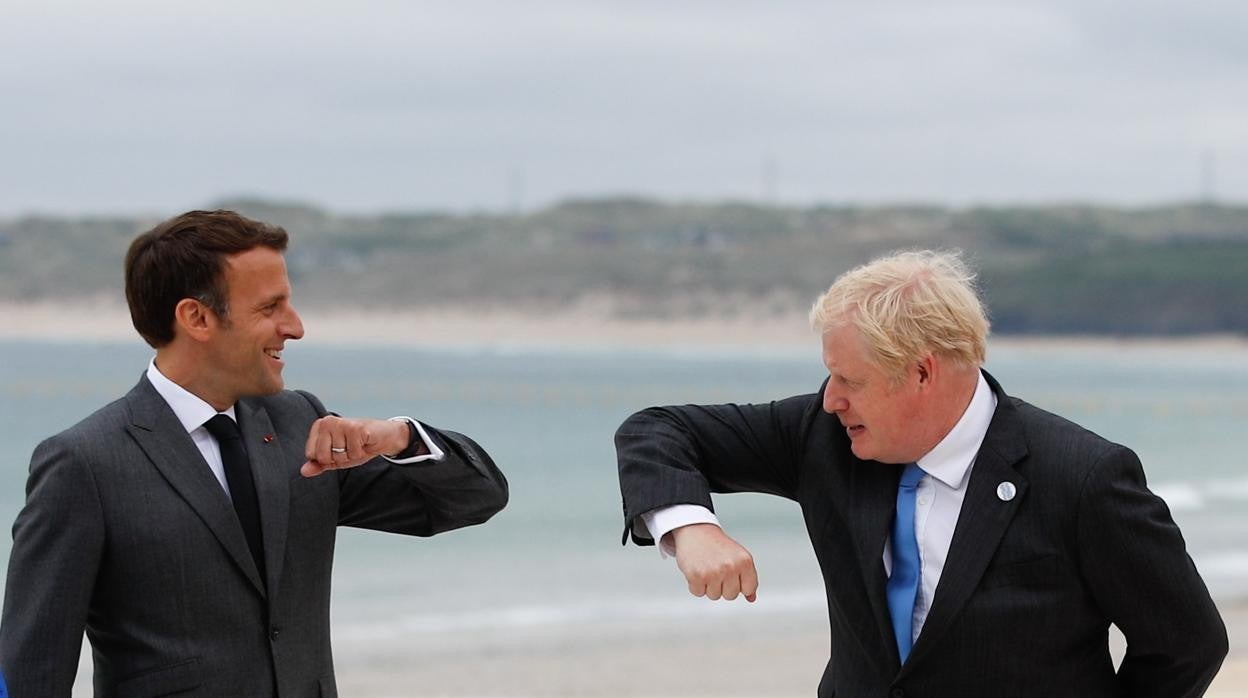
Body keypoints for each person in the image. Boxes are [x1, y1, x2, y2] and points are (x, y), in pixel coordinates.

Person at [614, 250, 1227, 697]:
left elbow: (1186, 645)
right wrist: (691, 527)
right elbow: (657, 430)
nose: (830, 399)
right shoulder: (821, 436)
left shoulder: (1084, 476)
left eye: (850, 380)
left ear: (923, 374)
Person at [0, 210, 509, 697]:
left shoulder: (300, 425)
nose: (295, 327)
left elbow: (475, 498)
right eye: (270, 308)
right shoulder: (83, 464)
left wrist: (399, 438)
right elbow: (31, 670)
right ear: (196, 317)